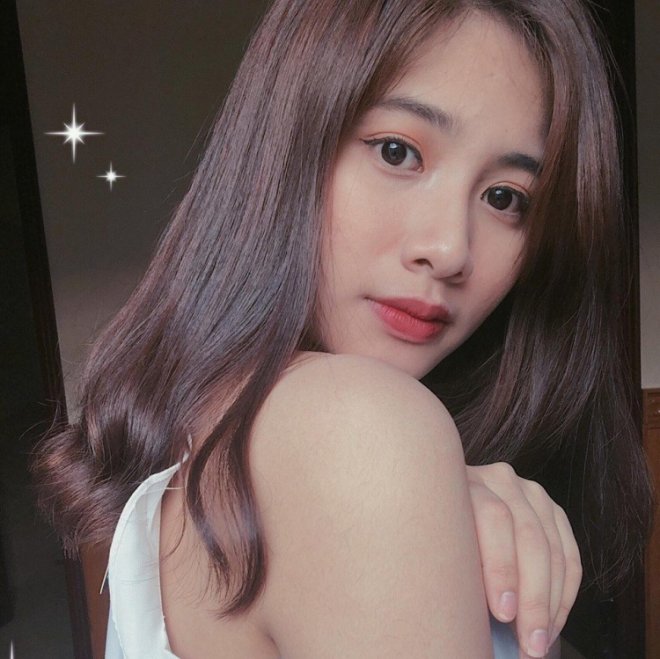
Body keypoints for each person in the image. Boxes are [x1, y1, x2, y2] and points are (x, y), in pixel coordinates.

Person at [32, 0, 654, 657]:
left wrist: (432, 495)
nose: (449, 249)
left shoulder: (214, 435)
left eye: (505, 197)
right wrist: (395, 467)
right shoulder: (359, 430)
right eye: (398, 152)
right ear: (282, 147)